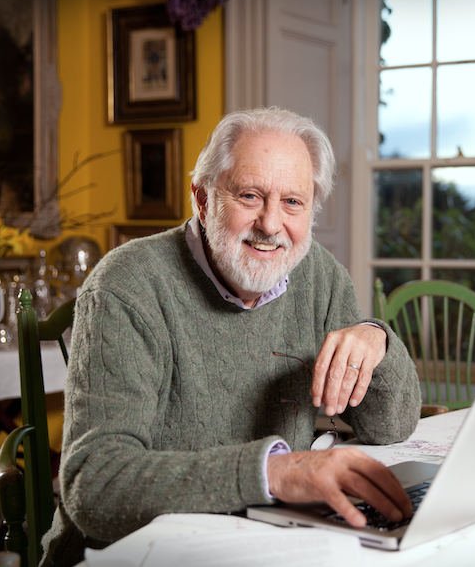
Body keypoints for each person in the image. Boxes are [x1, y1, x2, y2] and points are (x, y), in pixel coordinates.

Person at [41, 108, 422, 565]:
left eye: (293, 202)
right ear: (202, 199)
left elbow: (391, 426)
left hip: (265, 542)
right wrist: (273, 472)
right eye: (250, 195)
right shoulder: (127, 285)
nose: (271, 224)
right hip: (133, 554)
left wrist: (374, 338)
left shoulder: (318, 274)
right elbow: (95, 486)